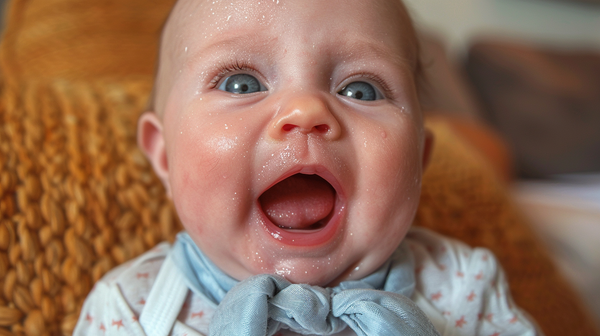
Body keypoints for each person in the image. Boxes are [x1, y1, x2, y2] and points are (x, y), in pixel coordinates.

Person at [74, 0, 538, 335]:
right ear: (164, 156)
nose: (304, 110)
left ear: (418, 161)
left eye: (361, 90)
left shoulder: (462, 288)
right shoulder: (134, 309)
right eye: (240, 82)